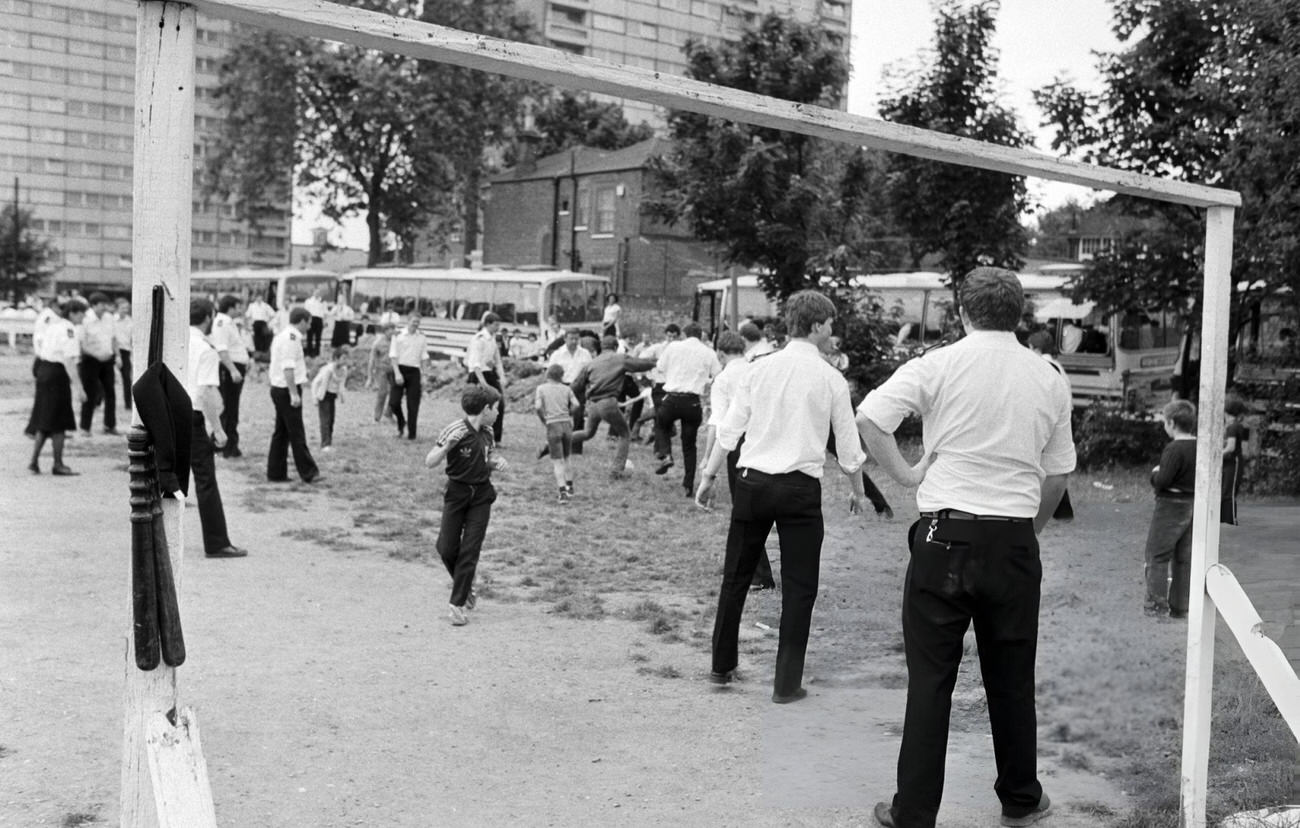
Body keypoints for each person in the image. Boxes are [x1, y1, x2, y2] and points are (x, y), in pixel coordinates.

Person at [856, 267, 1073, 828]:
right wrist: (1030, 531)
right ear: (1019, 314)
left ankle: (915, 811)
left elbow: (870, 416)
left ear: (962, 312)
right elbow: (1057, 474)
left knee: (931, 679)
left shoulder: (939, 363)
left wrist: (905, 476)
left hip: (945, 534)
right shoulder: (1048, 375)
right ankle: (1021, 798)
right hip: (1012, 538)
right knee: (1011, 675)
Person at [696, 290, 870, 704]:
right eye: (829, 325)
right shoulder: (830, 378)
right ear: (815, 326)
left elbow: (729, 429)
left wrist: (707, 476)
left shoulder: (757, 369)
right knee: (799, 587)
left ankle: (721, 667)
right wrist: (858, 490)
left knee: (735, 577)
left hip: (753, 484)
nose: (832, 332)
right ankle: (785, 684)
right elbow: (848, 446)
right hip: (798, 490)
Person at [425, 385, 507, 627]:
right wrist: (446, 447)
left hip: (481, 496)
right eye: (496, 409)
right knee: (446, 548)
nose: (498, 413)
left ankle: (457, 604)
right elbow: (430, 461)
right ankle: (466, 583)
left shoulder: (488, 431)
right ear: (486, 409)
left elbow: (486, 457)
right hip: (457, 493)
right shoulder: (455, 429)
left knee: (469, 550)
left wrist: (496, 461)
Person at [702, 332, 778, 591]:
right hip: (764, 439)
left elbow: (720, 424)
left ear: (720, 354)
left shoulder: (722, 379)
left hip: (738, 444)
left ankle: (758, 574)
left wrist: (708, 460)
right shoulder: (757, 369)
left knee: (744, 509)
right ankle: (758, 570)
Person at [186, 298, 248, 558]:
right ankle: (217, 541)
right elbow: (208, 392)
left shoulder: (177, 341)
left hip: (169, 413)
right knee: (205, 480)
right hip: (192, 415)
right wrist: (219, 429)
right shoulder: (205, 348)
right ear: (209, 318)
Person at [570, 336, 657, 479]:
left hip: (593, 405)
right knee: (625, 434)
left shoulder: (591, 364)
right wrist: (658, 362)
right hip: (608, 403)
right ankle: (616, 470)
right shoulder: (620, 359)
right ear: (616, 347)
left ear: (601, 347)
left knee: (587, 433)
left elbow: (575, 386)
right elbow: (641, 364)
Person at [1143, 398, 1198, 619]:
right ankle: (1181, 606)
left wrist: (1155, 473)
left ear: (1173, 423)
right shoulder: (1198, 446)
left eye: (1165, 422)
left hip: (1170, 506)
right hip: (1191, 504)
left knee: (1157, 555)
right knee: (1183, 558)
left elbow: (1163, 480)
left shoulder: (1174, 448)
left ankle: (1156, 606)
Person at [653, 322, 721, 497]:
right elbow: (718, 373)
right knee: (689, 445)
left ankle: (666, 454)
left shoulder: (673, 346)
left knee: (661, 424)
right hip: (692, 402)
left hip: (673, 398)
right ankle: (688, 485)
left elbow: (660, 367)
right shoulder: (708, 352)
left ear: (684, 334)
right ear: (701, 336)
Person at [27, 298, 86, 475]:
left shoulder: (53, 325)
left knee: (44, 418)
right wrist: (79, 387)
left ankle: (34, 461)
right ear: (74, 313)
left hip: (44, 370)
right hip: (57, 374)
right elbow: (69, 360)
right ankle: (58, 464)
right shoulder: (69, 329)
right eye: (82, 313)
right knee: (59, 420)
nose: (83, 317)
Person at [267, 307, 322, 484]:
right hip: (286, 389)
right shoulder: (291, 339)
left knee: (281, 432)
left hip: (279, 388)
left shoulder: (283, 336)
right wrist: (293, 393)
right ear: (302, 321)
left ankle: (276, 472)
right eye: (309, 322)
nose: (310, 326)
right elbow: (288, 367)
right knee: (296, 432)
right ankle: (308, 472)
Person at [1027, 330, 1074, 521]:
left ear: (1036, 348)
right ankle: (1061, 509)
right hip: (1063, 417)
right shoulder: (1057, 366)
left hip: (1049, 419)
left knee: (1046, 467)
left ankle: (1058, 508)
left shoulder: (1042, 367)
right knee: (1053, 466)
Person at [539, 329, 593, 458]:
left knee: (579, 417)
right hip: (562, 386)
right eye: (571, 339)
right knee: (560, 418)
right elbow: (550, 374)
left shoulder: (585, 354)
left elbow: (591, 372)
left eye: (576, 339)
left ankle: (576, 449)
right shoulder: (557, 354)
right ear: (565, 339)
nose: (574, 342)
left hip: (579, 387)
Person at [211, 295, 249, 459]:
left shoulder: (229, 323)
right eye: (238, 307)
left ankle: (222, 442)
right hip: (228, 368)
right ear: (231, 308)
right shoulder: (222, 323)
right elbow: (222, 350)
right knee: (229, 408)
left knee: (231, 408)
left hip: (234, 367)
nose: (240, 310)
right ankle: (226, 446)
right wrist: (233, 370)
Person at [534, 363, 580, 502]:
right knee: (567, 457)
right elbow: (577, 404)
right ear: (562, 376)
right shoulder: (567, 389)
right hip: (566, 424)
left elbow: (537, 407)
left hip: (552, 424)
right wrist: (569, 413)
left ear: (548, 374)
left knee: (557, 461)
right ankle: (570, 487)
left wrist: (544, 419)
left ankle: (562, 492)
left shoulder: (541, 388)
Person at [78, 292, 119, 437]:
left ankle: (110, 425)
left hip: (107, 359)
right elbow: (82, 345)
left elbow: (114, 338)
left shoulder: (109, 318)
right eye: (101, 305)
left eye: (105, 305)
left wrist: (117, 355)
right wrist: (97, 355)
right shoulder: (86, 319)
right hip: (91, 359)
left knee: (110, 393)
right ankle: (85, 427)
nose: (104, 308)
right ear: (93, 305)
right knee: (90, 393)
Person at [466, 312, 508, 443]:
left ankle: (494, 438)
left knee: (498, 405)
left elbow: (497, 360)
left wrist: (502, 376)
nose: (498, 328)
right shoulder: (479, 339)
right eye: (495, 325)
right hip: (478, 375)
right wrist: (483, 384)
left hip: (489, 374)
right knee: (477, 407)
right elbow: (475, 363)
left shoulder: (493, 339)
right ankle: (472, 435)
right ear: (488, 324)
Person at [388, 314, 428, 440]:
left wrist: (424, 375)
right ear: (408, 321)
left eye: (418, 322)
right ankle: (401, 421)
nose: (415, 324)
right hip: (400, 369)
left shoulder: (421, 337)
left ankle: (412, 434)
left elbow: (424, 357)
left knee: (413, 405)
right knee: (394, 402)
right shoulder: (398, 335)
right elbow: (393, 356)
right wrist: (397, 373)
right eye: (413, 321)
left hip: (414, 371)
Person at [312, 346, 349, 451]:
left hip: (332, 396)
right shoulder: (328, 369)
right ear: (336, 359)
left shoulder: (344, 370)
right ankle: (325, 444)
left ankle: (329, 442)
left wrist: (342, 397)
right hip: (323, 396)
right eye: (343, 358)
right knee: (325, 420)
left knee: (331, 420)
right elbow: (316, 383)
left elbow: (342, 384)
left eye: (346, 358)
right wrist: (315, 398)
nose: (345, 360)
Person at [1221, 395, 1250, 526]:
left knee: (1229, 492)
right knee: (1225, 490)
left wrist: (1218, 455)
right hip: (1228, 463)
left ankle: (1230, 520)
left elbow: (1231, 447)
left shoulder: (1233, 427)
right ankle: (1223, 519)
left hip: (1233, 462)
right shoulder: (1231, 426)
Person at [367, 323, 395, 424]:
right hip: (381, 369)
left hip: (394, 369)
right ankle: (377, 417)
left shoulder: (396, 341)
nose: (392, 332)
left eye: (393, 330)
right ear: (385, 331)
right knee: (382, 392)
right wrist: (370, 377)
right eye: (389, 330)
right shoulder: (378, 343)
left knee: (395, 393)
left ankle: (389, 413)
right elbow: (372, 360)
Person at [114, 298, 134, 412]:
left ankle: (128, 404)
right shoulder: (111, 320)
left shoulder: (130, 322)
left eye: (127, 308)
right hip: (113, 350)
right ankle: (98, 400)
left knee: (127, 377)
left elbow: (132, 338)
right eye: (122, 308)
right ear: (117, 308)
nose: (125, 310)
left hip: (125, 351)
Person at [303, 289, 327, 357]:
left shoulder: (323, 302)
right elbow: (306, 311)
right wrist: (307, 321)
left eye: (318, 293)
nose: (317, 294)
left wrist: (324, 322)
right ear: (313, 293)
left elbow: (325, 313)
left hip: (319, 320)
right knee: (309, 337)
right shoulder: (308, 301)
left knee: (318, 338)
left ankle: (317, 353)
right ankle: (309, 353)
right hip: (311, 319)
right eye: (316, 292)